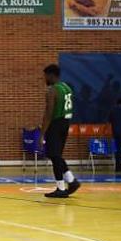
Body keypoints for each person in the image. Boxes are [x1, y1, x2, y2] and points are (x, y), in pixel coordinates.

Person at [40, 65, 81, 198]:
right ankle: (70, 181)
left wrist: (42, 133)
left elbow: (49, 113)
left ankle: (62, 187)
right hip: (65, 123)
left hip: (55, 124)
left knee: (54, 155)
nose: (44, 79)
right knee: (56, 155)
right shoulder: (67, 87)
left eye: (45, 76)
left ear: (52, 75)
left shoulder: (52, 90)